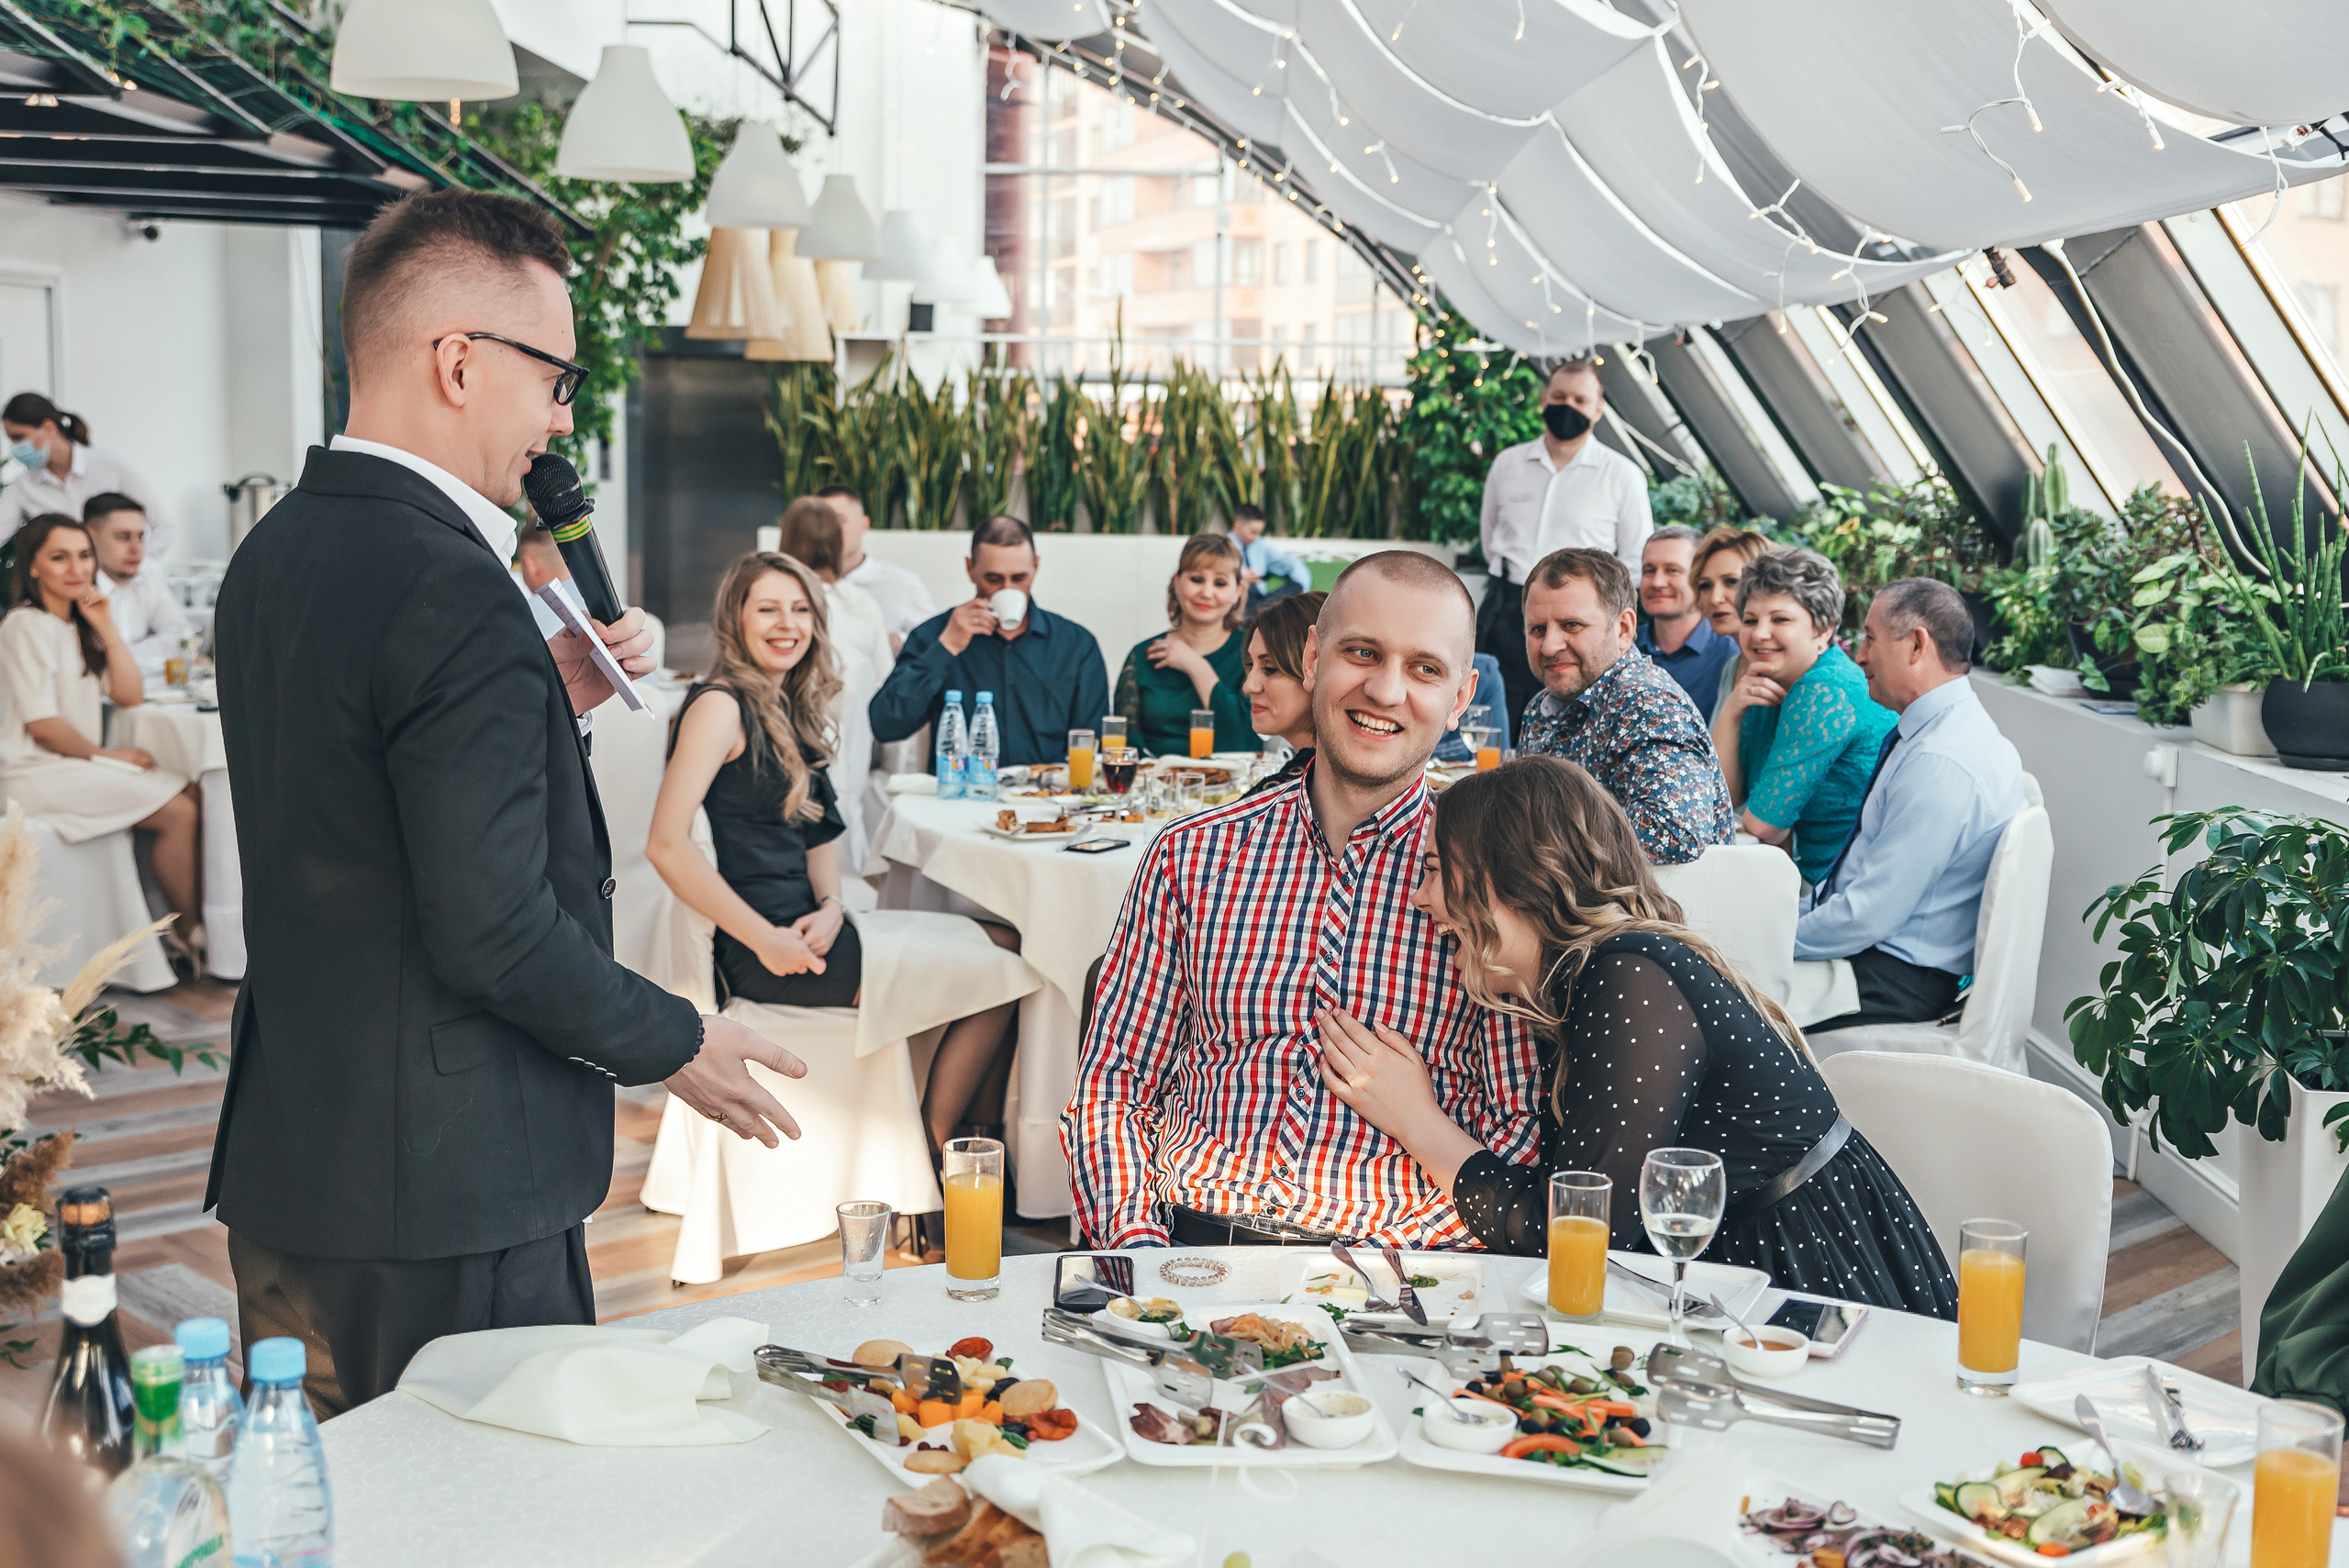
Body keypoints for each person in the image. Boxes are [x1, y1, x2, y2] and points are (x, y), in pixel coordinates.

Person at [205, 188, 807, 1417]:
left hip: (299, 1154)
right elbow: (493, 928)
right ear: (460, 362)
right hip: (449, 1180)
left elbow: (354, 797)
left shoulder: (276, 550)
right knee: (488, 1518)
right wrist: (678, 1039)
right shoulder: (450, 582)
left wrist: (542, 698)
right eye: (554, 376)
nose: (561, 416)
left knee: (336, 1511)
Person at [1314, 756, 1956, 1316]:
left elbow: (1575, 1238)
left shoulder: (1628, 978)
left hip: (1802, 1272)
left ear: (1510, 876)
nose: (1420, 899)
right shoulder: (1593, 975)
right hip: (1728, 1272)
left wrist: (1415, 1120)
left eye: (1433, 869)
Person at [1063, 552, 1543, 1249]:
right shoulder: (1190, 854)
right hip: (1192, 1248)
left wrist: (1397, 1265)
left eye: (1424, 669)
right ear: (1314, 654)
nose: (1385, 690)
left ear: (1463, 696)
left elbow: (1517, 1126)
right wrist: (1138, 1253)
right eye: (1362, 652)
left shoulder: (1489, 878)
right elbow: (1114, 1087)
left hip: (1403, 1275)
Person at [647, 550, 1021, 1157]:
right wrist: (767, 938)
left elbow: (819, 836)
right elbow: (666, 845)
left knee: (1006, 946)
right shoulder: (721, 704)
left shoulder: (786, 702)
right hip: (767, 951)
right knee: (1007, 970)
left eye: (800, 610)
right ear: (734, 620)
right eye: (766, 608)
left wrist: (830, 904)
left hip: (814, 930)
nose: (786, 623)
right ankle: (937, 1154)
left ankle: (960, 1154)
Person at [1798, 577, 2025, 1031]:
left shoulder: (1941, 761)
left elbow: (1870, 914)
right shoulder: (1945, 732)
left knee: (1709, 993)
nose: (1859, 656)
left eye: (1869, 638)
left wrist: (1759, 937)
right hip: (1881, 960)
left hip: (1890, 981)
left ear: (1916, 645)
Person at [0, 514, 202, 961]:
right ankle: (190, 930)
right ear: (32, 568)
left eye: (84, 556)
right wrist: (108, 757)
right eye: (59, 557)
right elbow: (42, 725)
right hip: (34, 773)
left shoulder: (78, 626)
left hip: (70, 767)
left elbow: (129, 695)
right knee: (179, 810)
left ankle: (170, 924)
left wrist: (107, 628)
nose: (77, 569)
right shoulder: (25, 624)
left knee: (188, 790)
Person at [1514, 547, 1732, 865]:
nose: (1549, 645)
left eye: (1571, 625)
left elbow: (1675, 831)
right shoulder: (1541, 707)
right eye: (1538, 630)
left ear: (1624, 629)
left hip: (1648, 913)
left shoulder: (1647, 702)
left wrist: (1536, 842)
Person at [1475, 358, 1653, 723]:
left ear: (1598, 409)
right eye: (1559, 396)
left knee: (1573, 715)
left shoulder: (1622, 475)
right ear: (1544, 398)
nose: (1568, 406)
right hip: (1507, 608)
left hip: (1581, 620)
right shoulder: (1508, 464)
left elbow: (1636, 558)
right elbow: (1489, 538)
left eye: (1580, 399)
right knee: (1495, 717)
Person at [1711, 549, 1898, 887]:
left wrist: (1772, 827)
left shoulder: (1827, 688)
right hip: (1796, 876)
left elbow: (1762, 824)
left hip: (1842, 887)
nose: (1759, 634)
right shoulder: (1767, 679)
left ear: (1823, 629)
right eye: (1750, 620)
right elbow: (1726, 800)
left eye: (1780, 619)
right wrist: (1730, 713)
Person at [869, 515, 1108, 770]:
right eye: (993, 579)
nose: (1008, 589)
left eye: (1019, 578)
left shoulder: (1075, 645)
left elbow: (1094, 746)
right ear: (970, 568)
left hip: (1047, 799)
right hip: (963, 798)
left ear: (1036, 567)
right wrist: (945, 648)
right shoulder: (935, 635)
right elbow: (886, 725)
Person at [774, 495, 894, 872]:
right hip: (849, 782)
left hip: (780, 775)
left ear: (785, 543)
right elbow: (885, 691)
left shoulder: (776, 612)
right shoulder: (863, 607)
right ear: (839, 545)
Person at [1112, 532, 1256, 757]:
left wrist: (1195, 666)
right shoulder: (1142, 655)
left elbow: (1245, 737)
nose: (1207, 593)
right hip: (1154, 783)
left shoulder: (1253, 653)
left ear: (1237, 592)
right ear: (1177, 582)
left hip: (1233, 787)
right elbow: (1123, 742)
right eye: (1196, 579)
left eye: (1220, 583)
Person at [2, 393, 174, 557]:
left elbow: (164, 526)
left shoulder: (110, 465)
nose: (15, 448)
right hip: (63, 586)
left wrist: (133, 569)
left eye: (19, 437)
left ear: (48, 428)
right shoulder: (23, 487)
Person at [83, 493, 190, 682]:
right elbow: (89, 665)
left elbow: (182, 640)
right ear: (91, 536)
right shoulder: (76, 584)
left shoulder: (149, 573)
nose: (136, 548)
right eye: (123, 537)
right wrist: (158, 654)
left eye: (141, 537)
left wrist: (117, 656)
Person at [1634, 523, 1736, 721]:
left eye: (1672, 570)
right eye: (1649, 570)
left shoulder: (1730, 656)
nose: (1657, 582)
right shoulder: (1623, 648)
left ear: (1700, 578)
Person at [819, 483, 935, 652]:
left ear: (864, 524)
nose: (830, 530)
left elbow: (934, 644)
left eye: (839, 520)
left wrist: (899, 643)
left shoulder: (902, 585)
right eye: (820, 523)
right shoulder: (801, 584)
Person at [1238, 589, 1326, 795]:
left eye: (1270, 668)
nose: (1249, 686)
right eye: (1251, 665)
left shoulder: (1291, 794)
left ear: (1316, 670)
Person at [1690, 526, 1775, 718]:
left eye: (1731, 582)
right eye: (1705, 586)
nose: (1714, 598)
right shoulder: (1732, 667)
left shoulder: (1779, 666)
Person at [1228, 503, 1306, 617]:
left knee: (1296, 586)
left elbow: (1292, 563)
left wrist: (1305, 591)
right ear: (1237, 526)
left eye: (1260, 533)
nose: (1257, 537)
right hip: (1237, 598)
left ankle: (1258, 614)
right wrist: (1241, 579)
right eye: (1253, 532)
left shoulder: (1261, 545)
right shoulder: (1223, 545)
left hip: (1261, 599)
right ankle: (1259, 614)